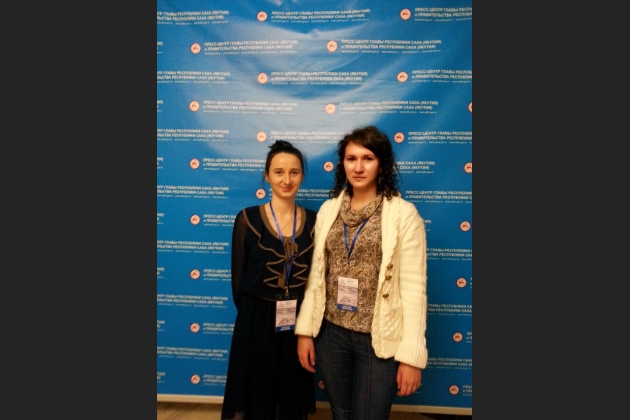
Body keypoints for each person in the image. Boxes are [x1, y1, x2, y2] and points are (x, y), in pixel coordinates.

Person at [295, 126, 428, 420]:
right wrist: (305, 331)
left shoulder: (403, 215)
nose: (358, 167)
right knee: (341, 414)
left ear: (381, 163)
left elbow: (414, 289)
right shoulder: (329, 210)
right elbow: (316, 276)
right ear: (342, 164)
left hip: (376, 339)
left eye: (367, 158)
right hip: (330, 333)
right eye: (351, 158)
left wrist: (411, 357)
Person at [222, 140, 317, 420]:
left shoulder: (316, 221)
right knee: (257, 393)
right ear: (267, 175)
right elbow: (238, 280)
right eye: (278, 172)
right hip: (256, 319)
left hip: (298, 320)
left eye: (294, 172)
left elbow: (316, 279)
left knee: (291, 394)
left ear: (302, 176)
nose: (286, 180)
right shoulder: (247, 219)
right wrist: (256, 312)